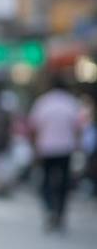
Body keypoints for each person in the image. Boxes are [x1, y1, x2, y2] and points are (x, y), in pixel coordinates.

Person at [27, 73, 84, 231]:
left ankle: (50, 208)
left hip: (46, 149)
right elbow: (78, 128)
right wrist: (78, 146)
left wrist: (34, 147)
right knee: (64, 183)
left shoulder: (44, 102)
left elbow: (33, 127)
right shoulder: (71, 103)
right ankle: (60, 212)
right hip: (66, 149)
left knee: (45, 182)